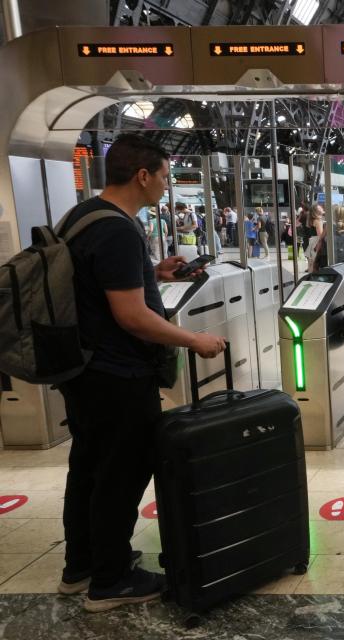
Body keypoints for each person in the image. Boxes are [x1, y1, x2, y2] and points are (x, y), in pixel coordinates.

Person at [57, 134, 225, 612]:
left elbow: (98, 284)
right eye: (167, 177)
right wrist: (195, 340)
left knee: (88, 469)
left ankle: (82, 566)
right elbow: (131, 316)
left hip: (84, 371)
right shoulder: (118, 230)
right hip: (117, 375)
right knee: (121, 475)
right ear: (143, 176)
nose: (168, 187)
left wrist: (156, 272)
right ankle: (111, 581)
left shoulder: (83, 217)